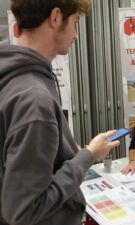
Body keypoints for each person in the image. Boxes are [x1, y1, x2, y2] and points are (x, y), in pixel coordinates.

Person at [0, 1, 120, 225]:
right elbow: (23, 211)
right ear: (56, 17)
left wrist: (66, 150)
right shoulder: (34, 99)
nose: (75, 35)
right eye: (75, 23)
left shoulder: (12, 80)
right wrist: (88, 156)